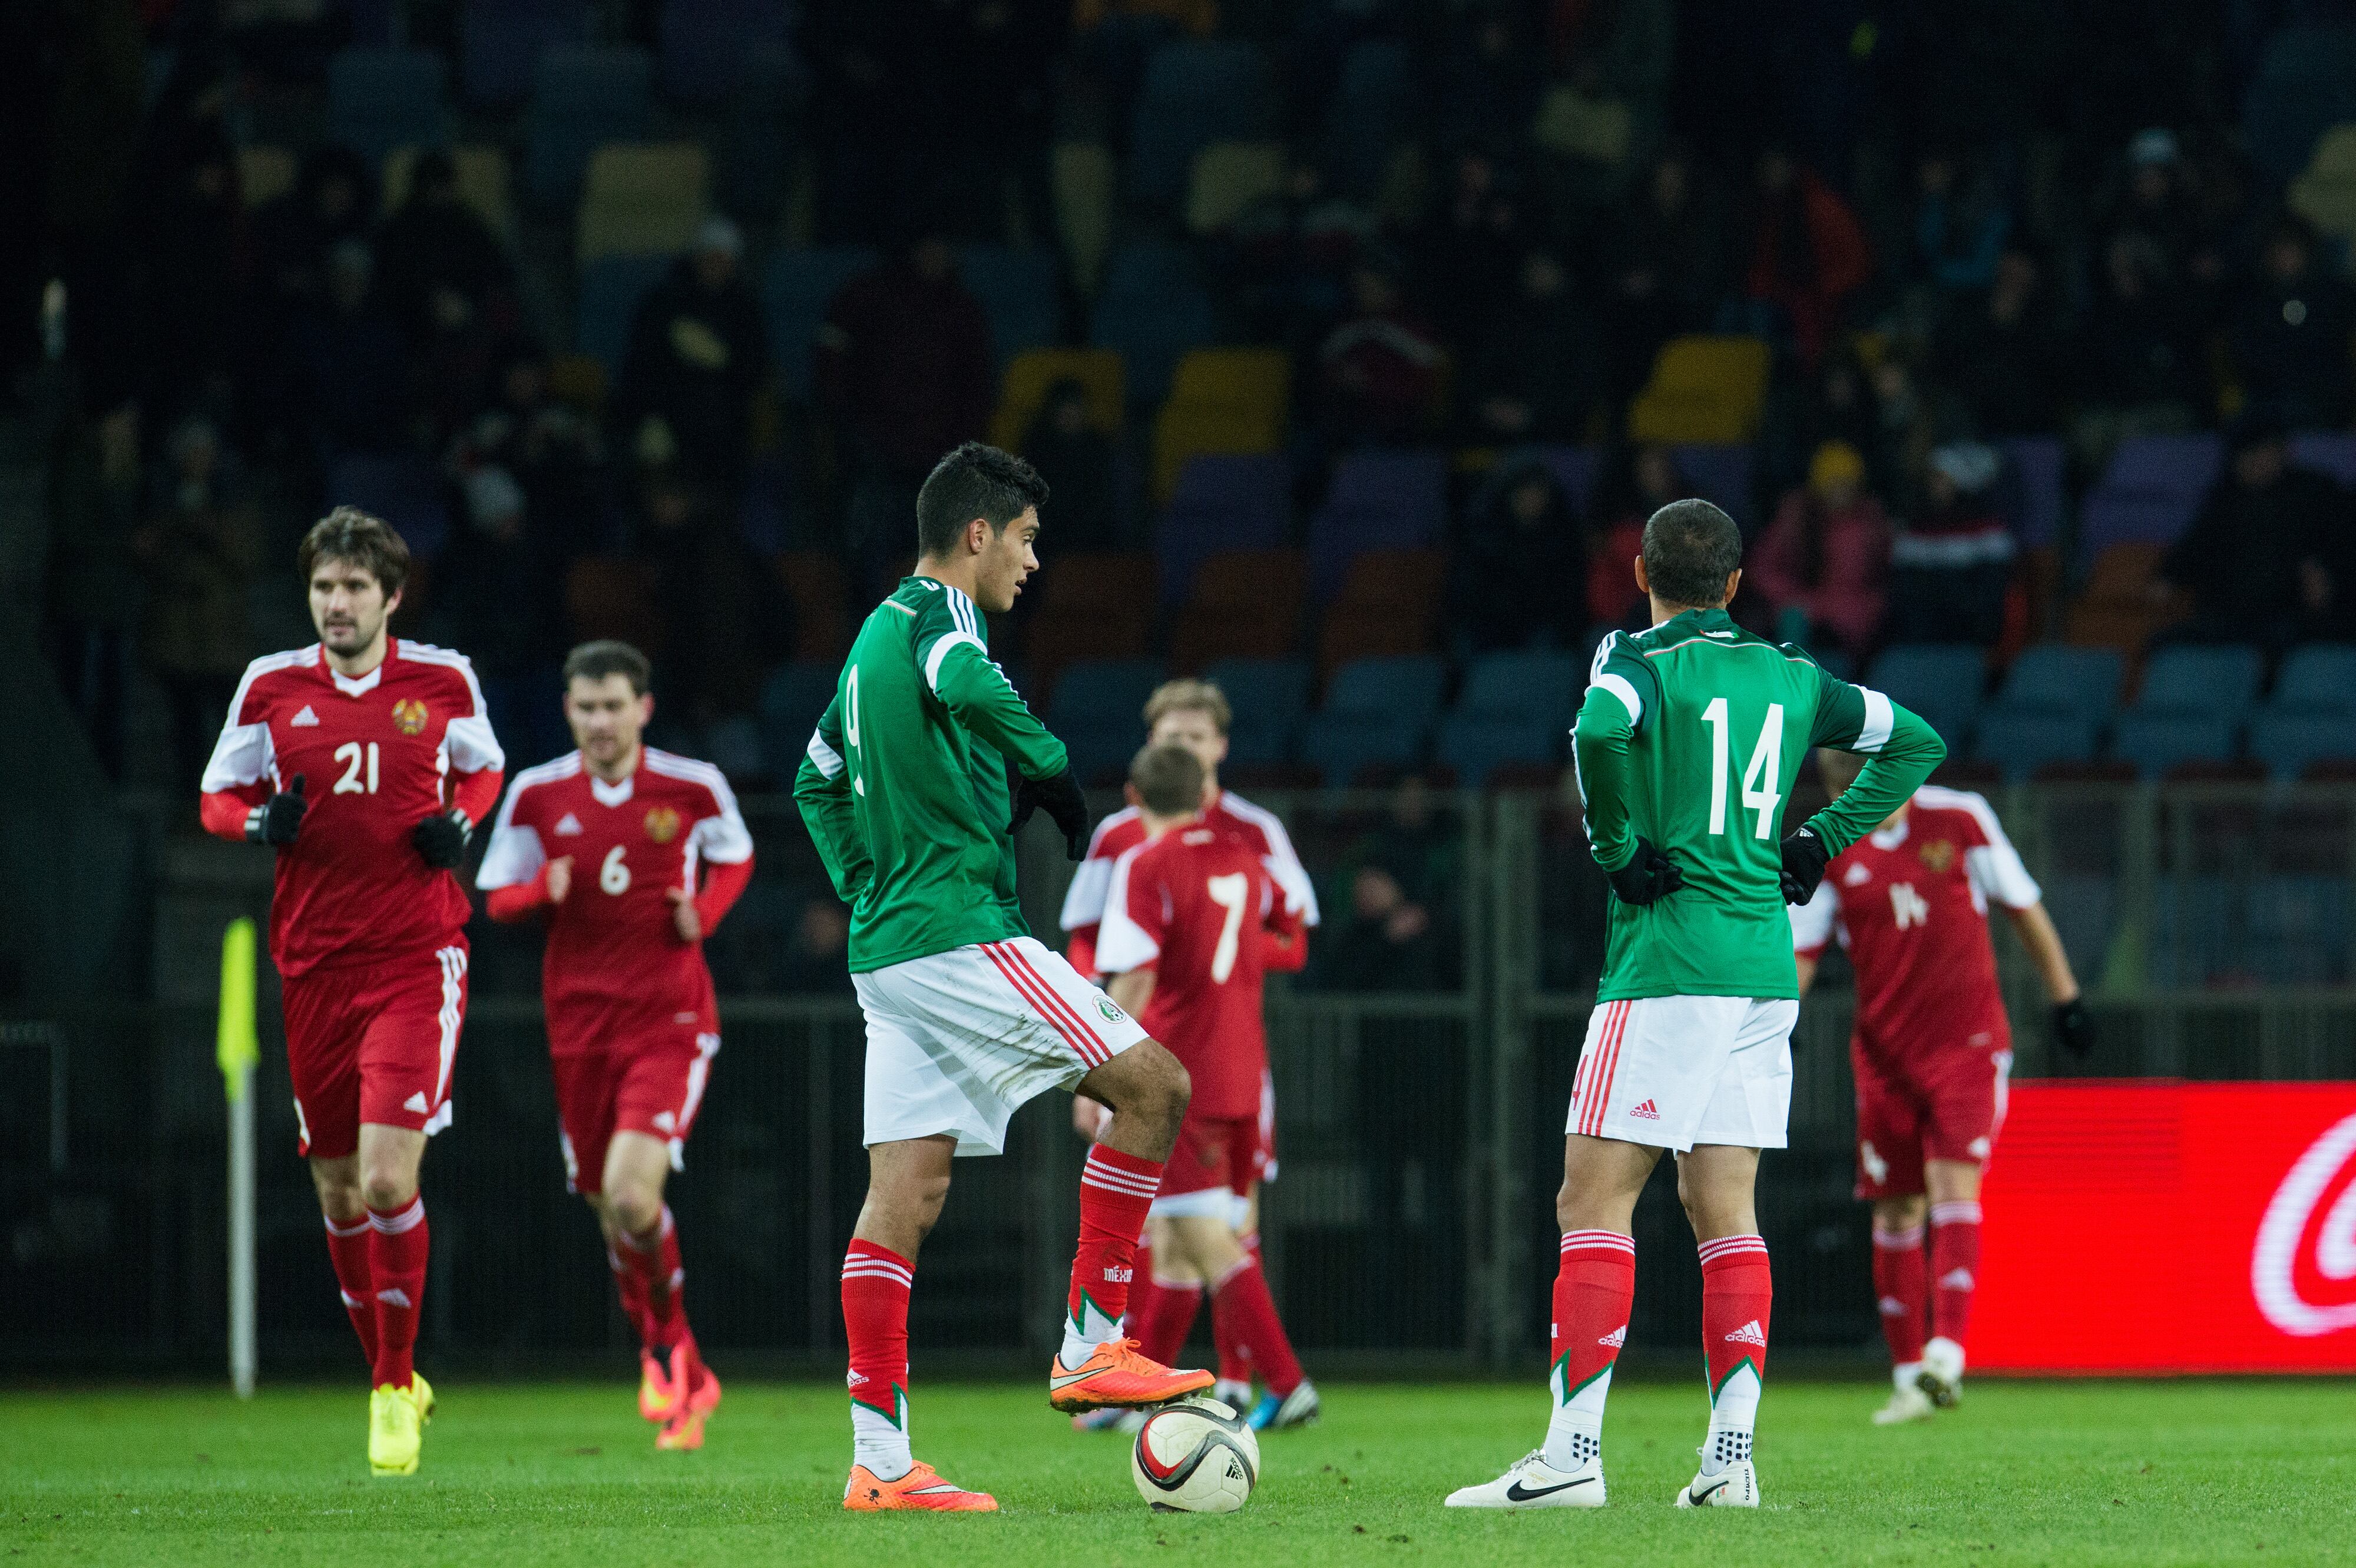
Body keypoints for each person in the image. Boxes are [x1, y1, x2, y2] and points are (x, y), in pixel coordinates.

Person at [1445, 498, 1943, 1511]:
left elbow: (1597, 728)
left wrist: (1617, 849)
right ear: (1733, 584)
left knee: (1592, 1200)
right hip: (1762, 967)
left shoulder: (1632, 662)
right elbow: (1916, 739)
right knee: (1725, 1210)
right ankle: (1729, 1464)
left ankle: (1572, 1454)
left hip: (1669, 962)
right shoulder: (1794, 675)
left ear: (1641, 572)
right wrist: (1818, 839)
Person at [794, 443, 1208, 1512]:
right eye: (1024, 540)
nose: (1032, 562)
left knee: (906, 1190)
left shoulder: (867, 639)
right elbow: (963, 680)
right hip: (958, 933)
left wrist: (868, 876)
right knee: (1156, 1086)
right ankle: (1093, 1343)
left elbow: (816, 776)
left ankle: (880, 1465)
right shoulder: (940, 620)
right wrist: (1049, 764)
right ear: (976, 534)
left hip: (890, 949)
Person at [197, 508, 506, 1477]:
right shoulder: (270, 685)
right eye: (323, 588)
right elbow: (214, 797)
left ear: (390, 596)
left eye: (353, 589)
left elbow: (485, 768)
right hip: (313, 966)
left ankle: (389, 1385)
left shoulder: (443, 677)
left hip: (417, 959)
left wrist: (458, 821)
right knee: (335, 1188)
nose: (336, 604)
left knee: (384, 1177)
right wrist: (258, 824)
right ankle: (389, 1371)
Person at [475, 640, 754, 1451]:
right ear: (569, 710)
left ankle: (666, 1349)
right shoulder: (536, 794)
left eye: (614, 705)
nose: (601, 721)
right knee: (610, 1211)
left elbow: (736, 856)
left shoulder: (691, 786)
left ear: (644, 707)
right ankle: (682, 1366)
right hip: (577, 1029)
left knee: (634, 1195)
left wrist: (705, 909)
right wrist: (539, 894)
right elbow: (495, 897)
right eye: (586, 707)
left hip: (668, 1020)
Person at [1790, 752, 2089, 1425]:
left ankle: (1946, 1351)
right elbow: (1803, 947)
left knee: (1953, 1184)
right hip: (1884, 1057)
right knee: (1895, 1210)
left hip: (1967, 1046)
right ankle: (1907, 1378)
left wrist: (2066, 998)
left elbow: (2023, 905)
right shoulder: (1829, 843)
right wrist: (1782, 1018)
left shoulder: (1959, 816)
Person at [1059, 679, 1318, 1418]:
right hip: (1234, 1056)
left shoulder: (1165, 850)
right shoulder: (1237, 849)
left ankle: (1274, 1379)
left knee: (1205, 1229)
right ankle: (1144, 1385)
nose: (1186, 748)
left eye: (1194, 736)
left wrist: (1094, 1066)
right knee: (1178, 1234)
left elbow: (1127, 966)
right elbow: (1290, 935)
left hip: (1174, 1063)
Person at [614, 218, 770, 487]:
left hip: (721, 425)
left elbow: (755, 369)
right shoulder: (664, 302)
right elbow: (641, 364)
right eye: (711, 258)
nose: (717, 267)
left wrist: (724, 359)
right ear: (697, 258)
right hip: (667, 416)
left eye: (725, 260)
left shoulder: (745, 309)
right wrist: (648, 416)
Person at [1750, 439, 1891, 657]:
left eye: (1847, 484)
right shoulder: (1796, 520)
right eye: (1833, 484)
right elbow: (1763, 568)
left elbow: (1877, 581)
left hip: (1855, 618)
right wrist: (1793, 598)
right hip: (1804, 612)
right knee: (1793, 622)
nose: (1841, 492)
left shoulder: (1872, 524)